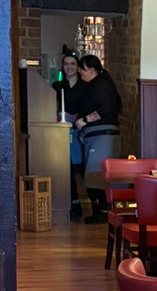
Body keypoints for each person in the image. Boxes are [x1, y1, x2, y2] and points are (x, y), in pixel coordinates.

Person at [73, 55, 122, 224]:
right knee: (94, 174)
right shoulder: (97, 84)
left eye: (83, 69)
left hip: (101, 136)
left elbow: (105, 110)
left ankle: (102, 212)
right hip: (98, 136)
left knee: (95, 174)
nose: (80, 72)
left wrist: (84, 120)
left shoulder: (99, 85)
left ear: (92, 70)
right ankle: (102, 211)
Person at [52, 53, 87, 218]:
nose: (69, 67)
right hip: (62, 130)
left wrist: (79, 118)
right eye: (66, 64)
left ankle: (89, 202)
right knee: (66, 166)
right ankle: (72, 202)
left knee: (81, 166)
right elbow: (51, 105)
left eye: (72, 63)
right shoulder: (57, 85)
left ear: (77, 67)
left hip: (81, 130)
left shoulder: (85, 86)